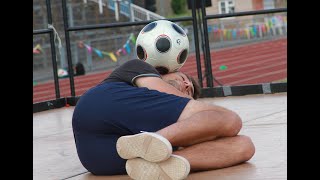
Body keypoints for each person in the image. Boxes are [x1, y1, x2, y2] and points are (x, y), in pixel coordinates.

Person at [72, 59, 255, 179]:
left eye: (189, 90)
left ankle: (157, 160)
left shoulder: (177, 123)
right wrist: (200, 113)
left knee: (245, 146)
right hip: (102, 105)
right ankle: (154, 140)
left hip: (100, 158)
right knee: (231, 119)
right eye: (183, 78)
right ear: (165, 72)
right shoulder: (139, 68)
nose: (186, 84)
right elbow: (221, 121)